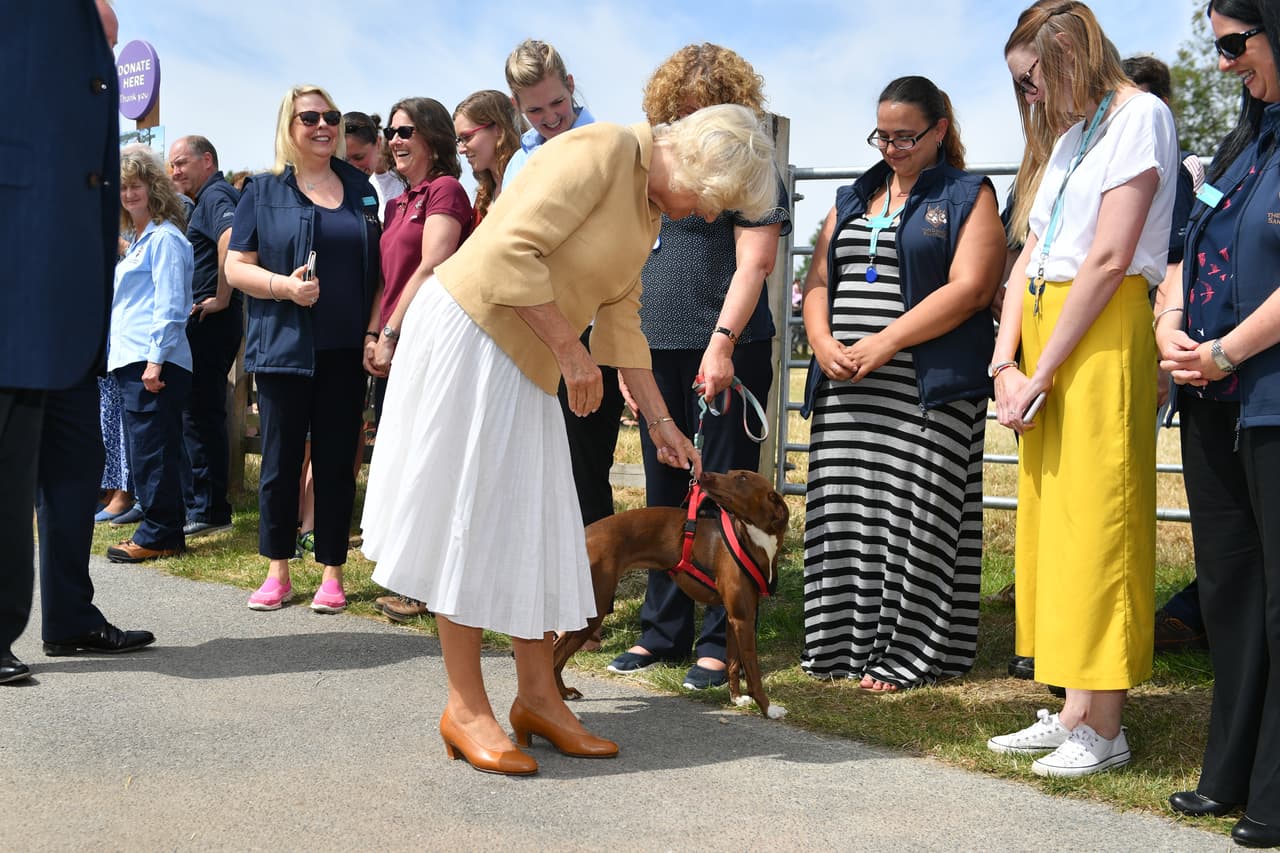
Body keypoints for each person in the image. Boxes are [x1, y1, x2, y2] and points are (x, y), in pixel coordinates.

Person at [360, 105, 776, 775]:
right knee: (466, 526)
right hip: (474, 338)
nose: (705, 215)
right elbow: (505, 249)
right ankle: (465, 707)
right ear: (694, 163)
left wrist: (664, 423)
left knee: (537, 529)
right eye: (711, 199)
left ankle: (537, 697)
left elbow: (621, 316)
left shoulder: (646, 209)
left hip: (524, 357)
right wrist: (570, 352)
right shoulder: (604, 150)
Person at [986, 1, 1177, 777]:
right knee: (1054, 524)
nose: (1030, 97)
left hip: (1099, 328)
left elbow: (1107, 258)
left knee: (1101, 519)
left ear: (1070, 52)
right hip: (1048, 329)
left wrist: (1044, 367)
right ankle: (1072, 705)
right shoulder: (1071, 134)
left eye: (1032, 79)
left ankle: (1107, 724)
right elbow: (1030, 253)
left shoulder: (1143, 116)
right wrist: (1005, 362)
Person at [797, 76, 1004, 691]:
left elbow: (970, 289)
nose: (890, 148)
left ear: (940, 130)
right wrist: (822, 341)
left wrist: (886, 342)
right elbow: (817, 281)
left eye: (905, 136)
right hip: (847, 385)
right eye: (882, 136)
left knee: (918, 520)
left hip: (924, 388)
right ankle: (839, 646)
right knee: (846, 514)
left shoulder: (970, 194)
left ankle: (911, 655)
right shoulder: (854, 194)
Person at [606, 43, 792, 691]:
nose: (693, 123)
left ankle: (719, 638)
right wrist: (635, 369)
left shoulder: (748, 161)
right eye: (683, 112)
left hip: (726, 350)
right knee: (664, 499)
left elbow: (755, 263)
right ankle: (662, 628)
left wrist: (722, 343)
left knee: (723, 499)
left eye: (706, 110)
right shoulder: (651, 160)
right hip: (654, 350)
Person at [1, 0, 156, 685]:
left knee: (75, 460)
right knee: (7, 468)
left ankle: (70, 617)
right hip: (19, 270)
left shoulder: (91, 21)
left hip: (71, 282)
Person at [1157, 1, 1280, 845]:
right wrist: (1168, 321)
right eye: (1219, 48)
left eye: (1237, 44)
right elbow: (1184, 247)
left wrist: (1227, 351)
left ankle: (1275, 794)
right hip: (1211, 400)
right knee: (1231, 594)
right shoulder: (1242, 143)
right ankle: (1228, 771)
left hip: (1265, 392)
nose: (1226, 63)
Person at [225, 85, 383, 614]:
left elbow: (379, 272)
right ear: (289, 127)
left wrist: (371, 332)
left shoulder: (361, 189)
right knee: (280, 462)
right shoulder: (262, 190)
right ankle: (278, 569)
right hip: (283, 348)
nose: (323, 126)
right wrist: (284, 287)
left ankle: (332, 572)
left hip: (343, 350)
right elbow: (235, 267)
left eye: (331, 117)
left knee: (339, 462)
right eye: (309, 117)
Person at [503, 37, 624, 535]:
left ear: (571, 86)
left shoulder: (609, 147)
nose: (550, 117)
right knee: (534, 464)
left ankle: (591, 594)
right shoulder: (518, 163)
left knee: (584, 463)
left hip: (592, 328)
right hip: (531, 327)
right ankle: (545, 587)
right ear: (516, 105)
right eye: (535, 110)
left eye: (557, 102)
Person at [365, 96, 473, 624]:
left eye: (405, 131)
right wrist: (373, 331)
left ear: (433, 138)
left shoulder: (446, 191)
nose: (394, 140)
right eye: (391, 131)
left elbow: (433, 266)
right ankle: (409, 573)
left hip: (429, 339)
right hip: (395, 338)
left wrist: (390, 330)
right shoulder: (397, 202)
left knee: (430, 459)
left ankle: (428, 585)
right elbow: (387, 276)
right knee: (402, 455)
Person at [105, 150, 195, 563]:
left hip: (151, 359)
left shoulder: (165, 239)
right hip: (135, 358)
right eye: (122, 187)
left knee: (152, 450)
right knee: (151, 448)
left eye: (135, 186)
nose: (128, 194)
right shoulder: (143, 240)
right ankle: (167, 532)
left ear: (153, 188)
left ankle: (157, 533)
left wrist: (155, 359)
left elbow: (171, 304)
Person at [168, 135, 242, 540]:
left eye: (182, 163)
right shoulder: (208, 197)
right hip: (208, 321)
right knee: (198, 413)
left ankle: (210, 508)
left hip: (211, 322)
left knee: (200, 415)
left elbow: (231, 240)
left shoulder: (216, 196)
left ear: (207, 160)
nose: (175, 171)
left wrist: (221, 296)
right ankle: (205, 503)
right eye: (172, 165)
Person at [453, 89, 522, 230]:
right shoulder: (482, 198)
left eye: (467, 137)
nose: (461, 149)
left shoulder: (530, 174)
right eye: (459, 140)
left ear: (498, 129)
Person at [343, 111, 404, 222]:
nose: (352, 167)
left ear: (378, 143)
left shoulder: (407, 180)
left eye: (359, 157)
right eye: (345, 160)